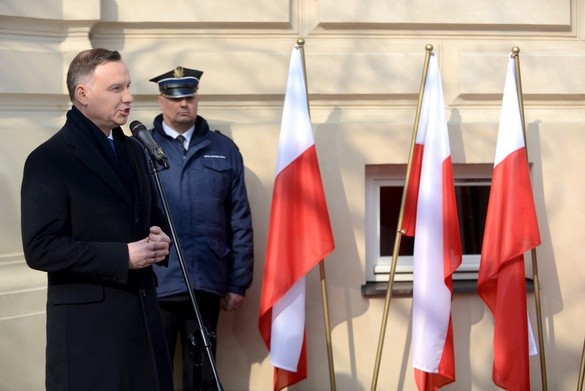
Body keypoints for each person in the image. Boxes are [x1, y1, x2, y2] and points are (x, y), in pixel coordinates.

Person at [20, 48, 174, 391]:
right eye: (116, 88)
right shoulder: (50, 160)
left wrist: (161, 239)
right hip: (89, 338)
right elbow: (41, 249)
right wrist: (124, 256)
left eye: (128, 86)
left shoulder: (135, 149)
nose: (128, 97)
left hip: (144, 326)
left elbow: (151, 218)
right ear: (83, 94)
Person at [148, 66, 254, 390]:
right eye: (176, 98)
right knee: (155, 371)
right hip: (157, 281)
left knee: (203, 376)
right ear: (161, 100)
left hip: (205, 280)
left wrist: (238, 282)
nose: (184, 104)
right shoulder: (141, 148)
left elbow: (240, 218)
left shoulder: (223, 149)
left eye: (190, 97)